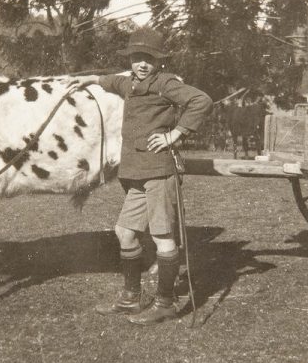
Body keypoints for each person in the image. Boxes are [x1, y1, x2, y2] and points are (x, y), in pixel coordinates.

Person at [77, 28, 213, 326]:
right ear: (130, 60)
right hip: (136, 172)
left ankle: (165, 303)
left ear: (158, 62)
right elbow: (112, 81)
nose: (142, 64)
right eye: (137, 58)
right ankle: (130, 298)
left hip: (160, 171)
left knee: (163, 237)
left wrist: (176, 134)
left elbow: (201, 100)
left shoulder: (165, 84)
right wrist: (89, 80)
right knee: (124, 232)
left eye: (149, 59)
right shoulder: (129, 84)